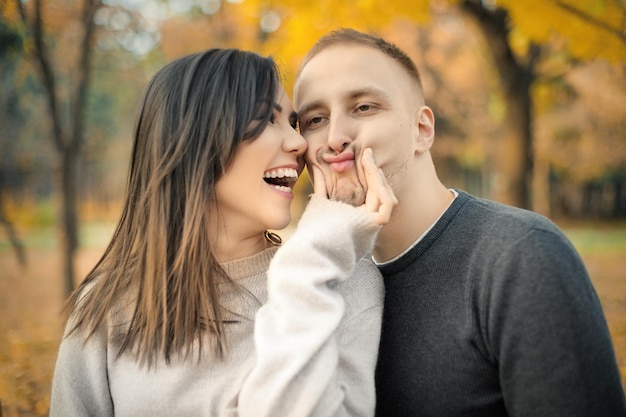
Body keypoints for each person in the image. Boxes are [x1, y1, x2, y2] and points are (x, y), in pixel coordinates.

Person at [294, 28, 626, 416]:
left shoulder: (518, 256)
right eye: (315, 119)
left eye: (364, 107)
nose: (334, 137)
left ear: (422, 130)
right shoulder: (325, 282)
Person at [49, 48, 397, 417]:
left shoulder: (344, 281)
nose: (299, 144)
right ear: (193, 139)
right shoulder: (106, 304)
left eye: (293, 124)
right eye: (266, 119)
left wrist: (309, 266)